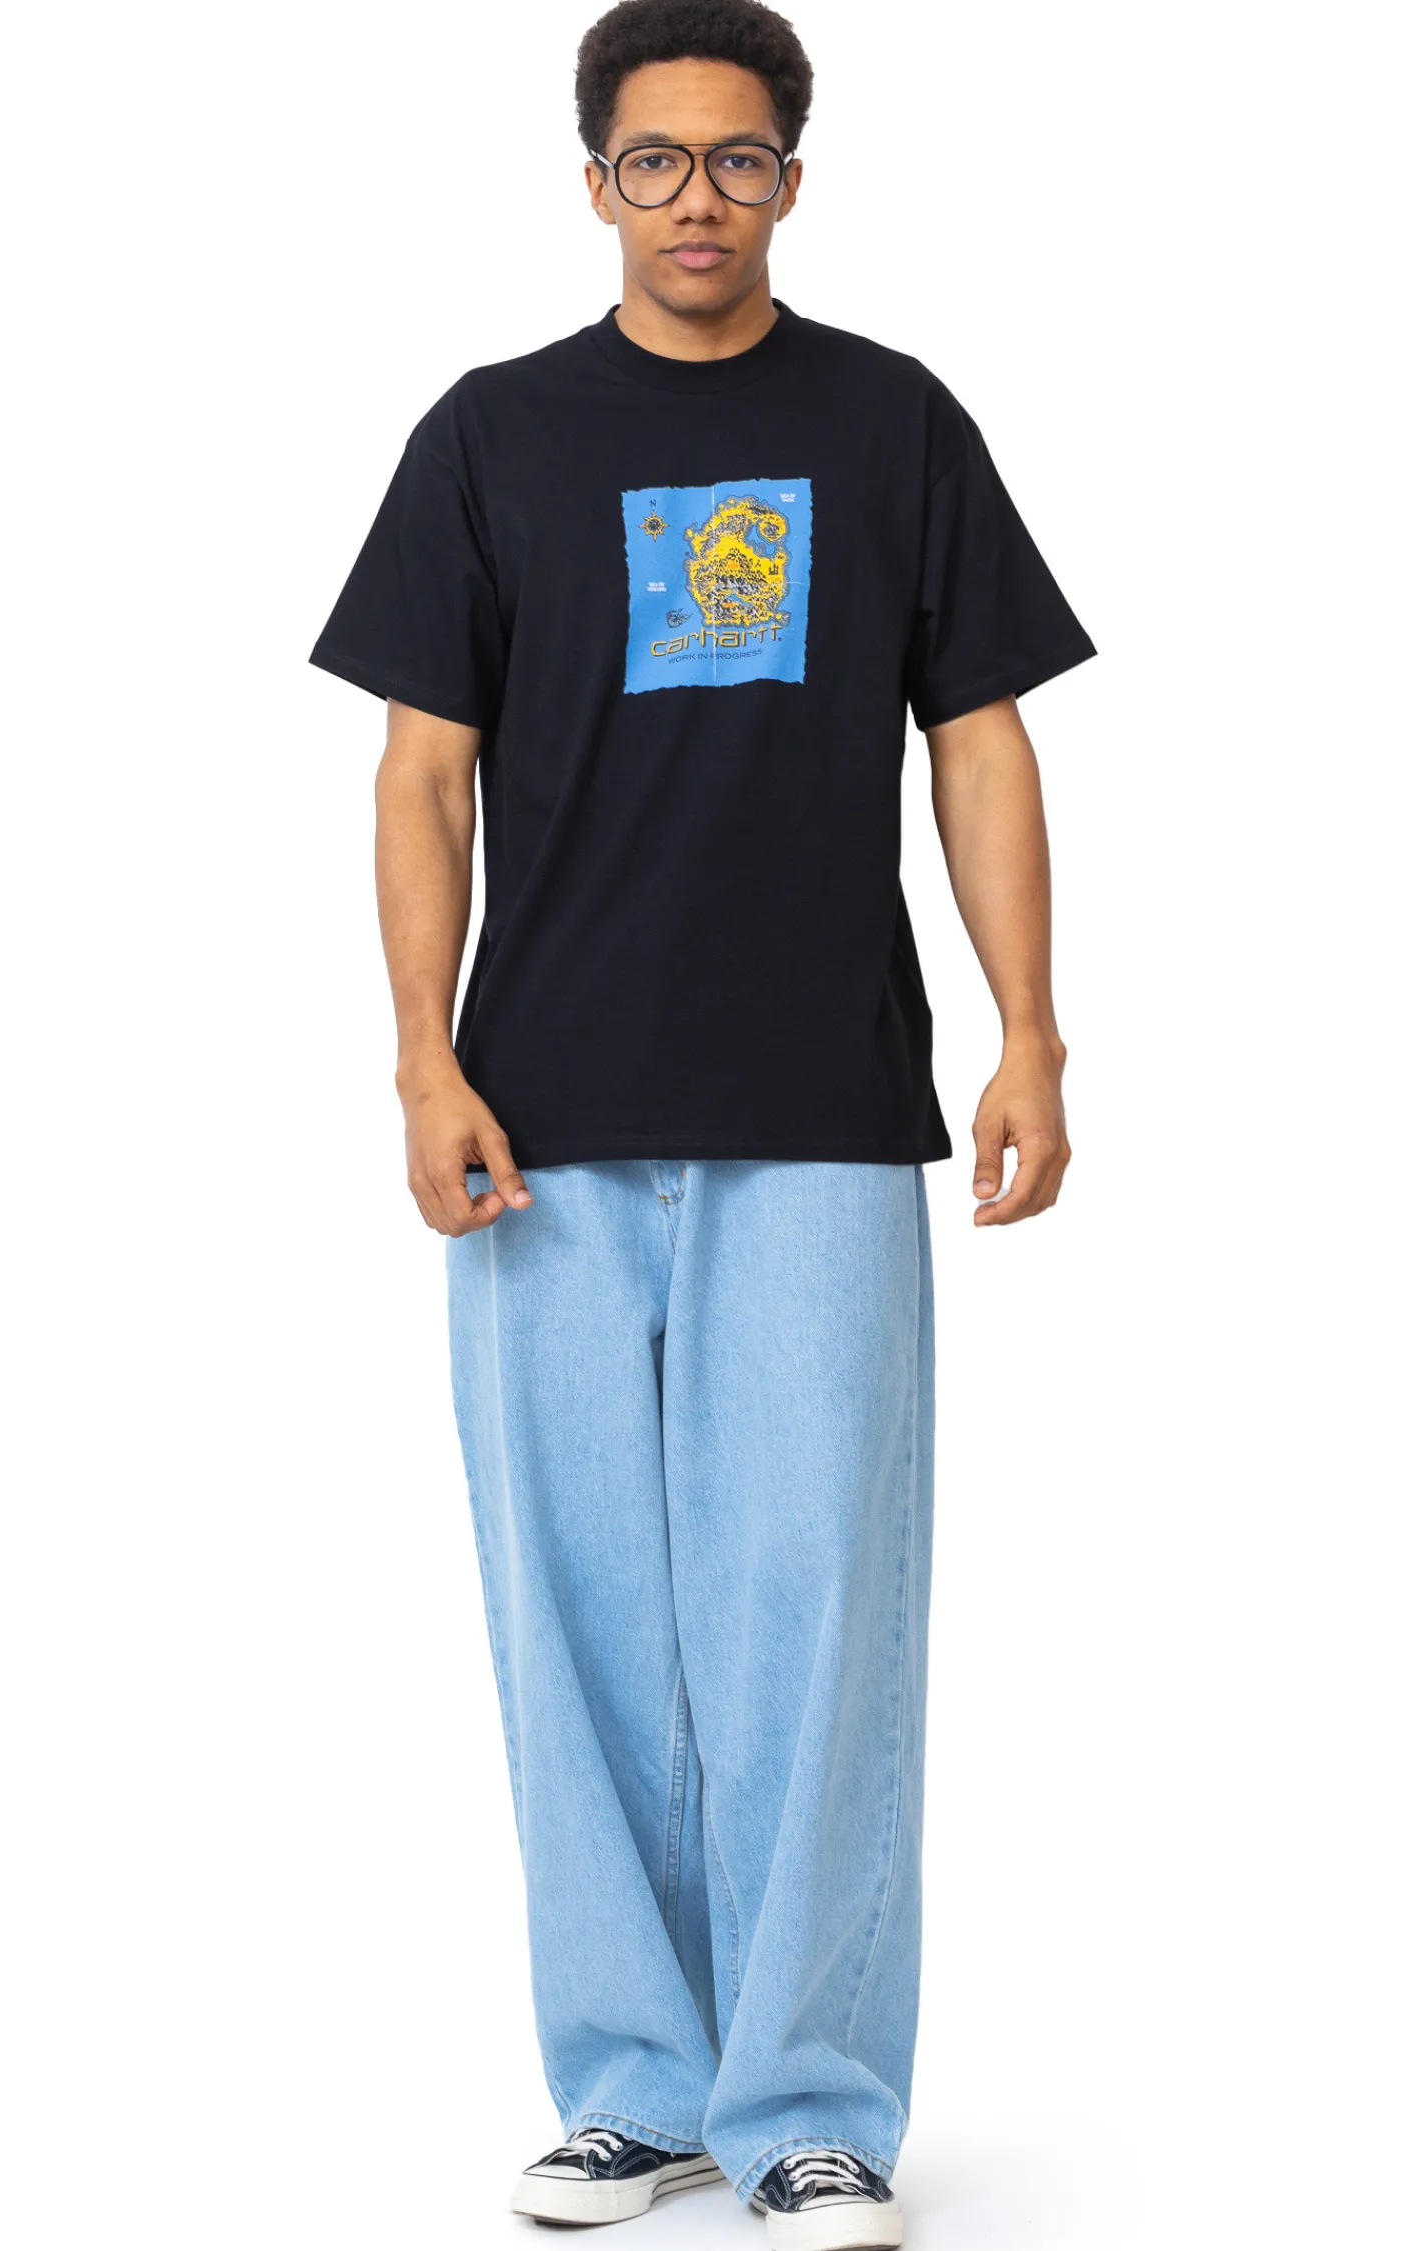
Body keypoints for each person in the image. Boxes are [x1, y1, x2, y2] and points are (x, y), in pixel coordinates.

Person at [309, 1, 1094, 2241]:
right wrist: (423, 1058)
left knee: (818, 1616)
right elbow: (421, 774)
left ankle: (811, 2099)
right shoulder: (493, 435)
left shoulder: (893, 420)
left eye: (738, 161)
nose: (696, 201)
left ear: (793, 182)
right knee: (573, 1617)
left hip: (823, 1106)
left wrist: (1033, 1034)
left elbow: (980, 738)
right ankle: (636, 2089)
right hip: (542, 1122)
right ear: (594, 186)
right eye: (652, 162)